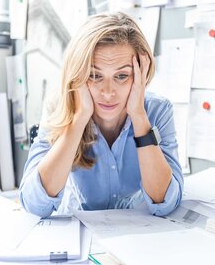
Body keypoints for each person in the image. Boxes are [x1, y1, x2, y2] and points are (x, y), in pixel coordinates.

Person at [19, 12, 183, 218]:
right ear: (77, 74)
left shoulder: (158, 111)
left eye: (121, 76)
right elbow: (34, 204)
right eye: (95, 76)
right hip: (74, 229)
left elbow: (165, 204)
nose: (107, 92)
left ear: (141, 73)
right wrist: (78, 120)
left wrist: (140, 117)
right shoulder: (58, 107)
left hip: (135, 232)